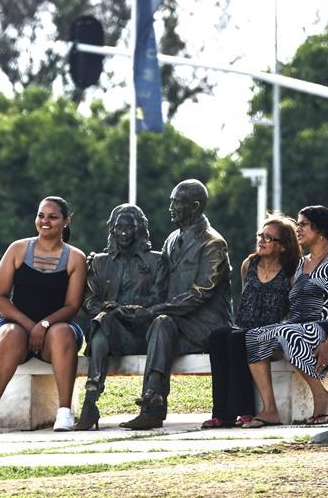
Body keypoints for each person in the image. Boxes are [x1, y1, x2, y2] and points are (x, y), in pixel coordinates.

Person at [87, 180, 234, 430]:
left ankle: (152, 405)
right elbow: (160, 289)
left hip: (206, 328)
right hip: (174, 323)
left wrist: (154, 310)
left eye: (177, 202)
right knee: (157, 323)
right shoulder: (171, 239)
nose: (171, 207)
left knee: (161, 322)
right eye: (171, 201)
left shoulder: (213, 244)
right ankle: (150, 404)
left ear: (195, 206)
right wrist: (133, 310)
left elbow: (199, 294)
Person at [243, 205, 328, 427]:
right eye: (297, 224)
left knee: (289, 334)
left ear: (319, 228)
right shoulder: (301, 263)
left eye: (303, 224)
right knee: (254, 336)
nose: (297, 229)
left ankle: (321, 395)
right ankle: (270, 409)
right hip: (300, 327)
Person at [0, 196, 86, 434]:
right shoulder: (17, 250)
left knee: (62, 333)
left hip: (56, 329)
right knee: (11, 334)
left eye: (53, 217)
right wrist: (30, 325)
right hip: (16, 326)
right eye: (41, 215)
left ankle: (64, 412)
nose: (45, 221)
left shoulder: (76, 258)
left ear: (66, 221)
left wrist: (45, 324)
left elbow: (72, 306)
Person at [201, 215, 299, 429]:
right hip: (244, 326)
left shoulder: (291, 273)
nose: (261, 241)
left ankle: (245, 411)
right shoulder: (250, 264)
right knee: (218, 337)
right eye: (260, 236)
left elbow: (295, 310)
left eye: (268, 238)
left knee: (238, 339)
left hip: (268, 334)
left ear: (283, 247)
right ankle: (222, 414)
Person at [74, 204, 162, 430]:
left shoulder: (156, 261)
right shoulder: (100, 262)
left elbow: (161, 299)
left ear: (139, 230)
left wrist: (129, 310)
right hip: (112, 333)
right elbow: (89, 301)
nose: (123, 233)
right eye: (118, 227)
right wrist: (108, 307)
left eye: (129, 228)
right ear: (112, 230)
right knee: (104, 319)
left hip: (145, 335)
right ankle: (91, 402)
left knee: (104, 321)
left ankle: (90, 403)